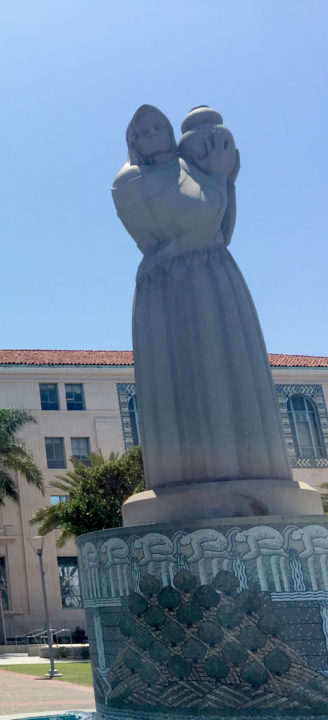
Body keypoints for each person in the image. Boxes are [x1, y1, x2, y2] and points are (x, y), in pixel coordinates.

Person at [112, 105, 294, 515]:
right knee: (180, 377)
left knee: (232, 363)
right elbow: (192, 217)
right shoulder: (129, 182)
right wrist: (217, 177)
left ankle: (252, 470)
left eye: (160, 126)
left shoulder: (192, 171)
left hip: (214, 275)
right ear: (132, 141)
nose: (154, 133)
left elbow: (220, 230)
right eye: (144, 130)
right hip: (166, 285)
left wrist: (223, 180)